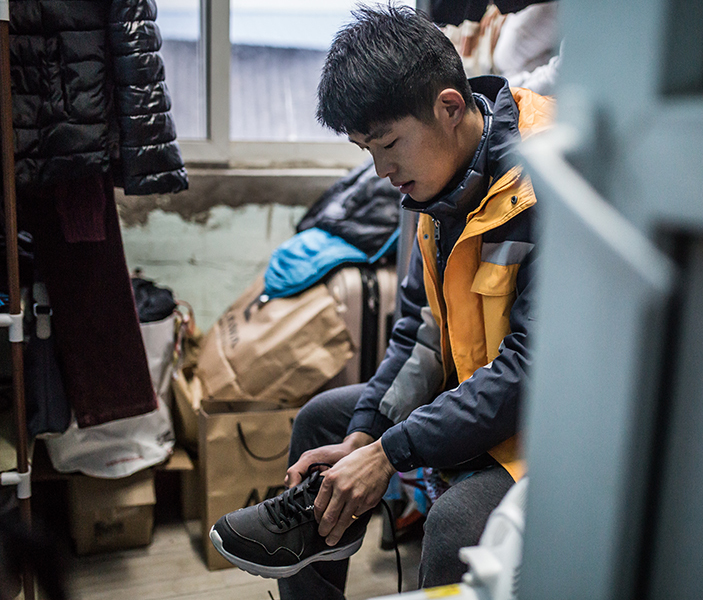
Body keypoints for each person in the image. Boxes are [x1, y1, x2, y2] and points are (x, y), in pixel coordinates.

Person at [209, 6, 554, 598]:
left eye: (389, 143)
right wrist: (366, 437)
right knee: (328, 420)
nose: (380, 170)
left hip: (549, 423)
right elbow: (419, 334)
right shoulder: (427, 189)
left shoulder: (550, 177)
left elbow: (528, 374)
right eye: (366, 148)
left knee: (456, 527)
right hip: (478, 391)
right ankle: (324, 546)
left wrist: (393, 452)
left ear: (450, 107)